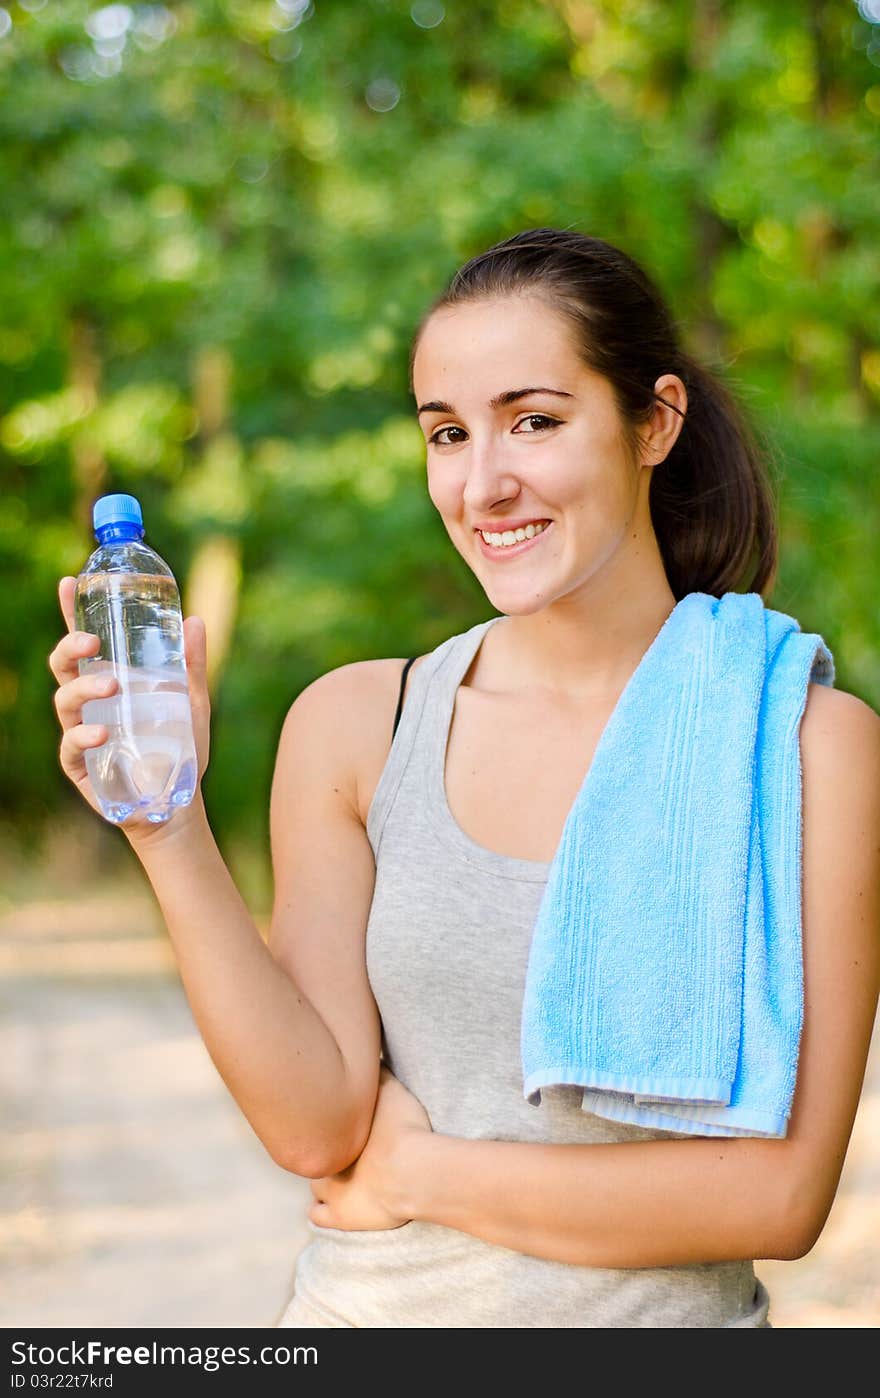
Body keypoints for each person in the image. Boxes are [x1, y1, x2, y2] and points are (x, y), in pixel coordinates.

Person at [49, 227, 880, 1329]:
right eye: (447, 433)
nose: (483, 484)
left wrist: (424, 1174)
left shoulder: (805, 746)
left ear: (654, 423)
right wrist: (168, 827)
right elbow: (316, 1130)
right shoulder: (358, 726)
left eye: (533, 420)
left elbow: (777, 1198)